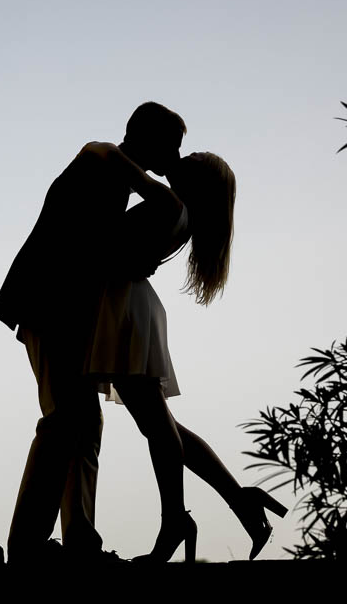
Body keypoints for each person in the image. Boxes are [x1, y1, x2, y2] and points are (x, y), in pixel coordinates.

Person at [0, 102, 188, 564]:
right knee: (64, 422)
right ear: (147, 138)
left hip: (61, 310)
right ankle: (28, 545)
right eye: (171, 146)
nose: (175, 156)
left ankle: (78, 540)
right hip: (49, 306)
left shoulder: (112, 180)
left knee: (81, 423)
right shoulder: (101, 160)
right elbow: (130, 191)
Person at [81, 143, 288, 563]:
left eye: (189, 162)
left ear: (197, 182)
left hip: (125, 310)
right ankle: (237, 500)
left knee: (158, 427)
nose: (179, 161)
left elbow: (121, 188)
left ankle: (177, 517)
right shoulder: (181, 214)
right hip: (130, 307)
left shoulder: (171, 206)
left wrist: (109, 155)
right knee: (161, 424)